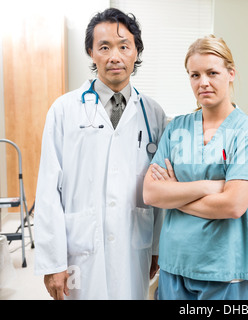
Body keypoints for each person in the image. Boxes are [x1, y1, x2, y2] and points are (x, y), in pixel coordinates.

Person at [33, 8, 166, 300]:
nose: (114, 56)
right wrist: (53, 261)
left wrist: (157, 247)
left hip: (135, 246)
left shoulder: (153, 114)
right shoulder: (64, 110)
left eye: (123, 46)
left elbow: (159, 188)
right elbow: (47, 190)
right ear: (91, 53)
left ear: (136, 52)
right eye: (104, 47)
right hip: (80, 251)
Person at [143, 35, 248, 300]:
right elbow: (151, 194)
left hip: (225, 269)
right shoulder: (176, 128)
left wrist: (175, 194)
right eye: (195, 75)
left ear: (230, 73)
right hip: (175, 264)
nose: (203, 83)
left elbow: (233, 206)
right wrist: (208, 187)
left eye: (212, 73)